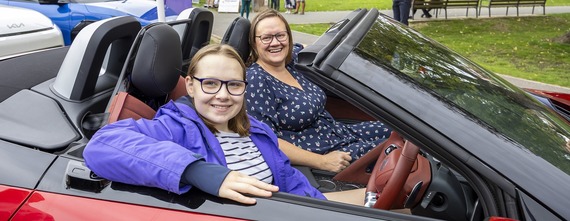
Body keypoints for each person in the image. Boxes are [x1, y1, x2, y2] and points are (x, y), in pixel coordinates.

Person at [83, 44, 325, 204]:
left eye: (234, 84)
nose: (223, 95)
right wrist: (195, 171)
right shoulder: (176, 128)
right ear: (190, 86)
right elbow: (102, 145)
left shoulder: (258, 131)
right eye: (210, 83)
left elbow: (294, 185)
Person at [245, 9, 392, 173]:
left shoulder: (291, 62)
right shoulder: (256, 80)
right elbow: (266, 141)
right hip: (325, 153)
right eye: (266, 37)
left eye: (281, 35)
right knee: (393, 150)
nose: (275, 43)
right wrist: (321, 161)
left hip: (340, 132)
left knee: (396, 130)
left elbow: (313, 47)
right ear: (254, 43)